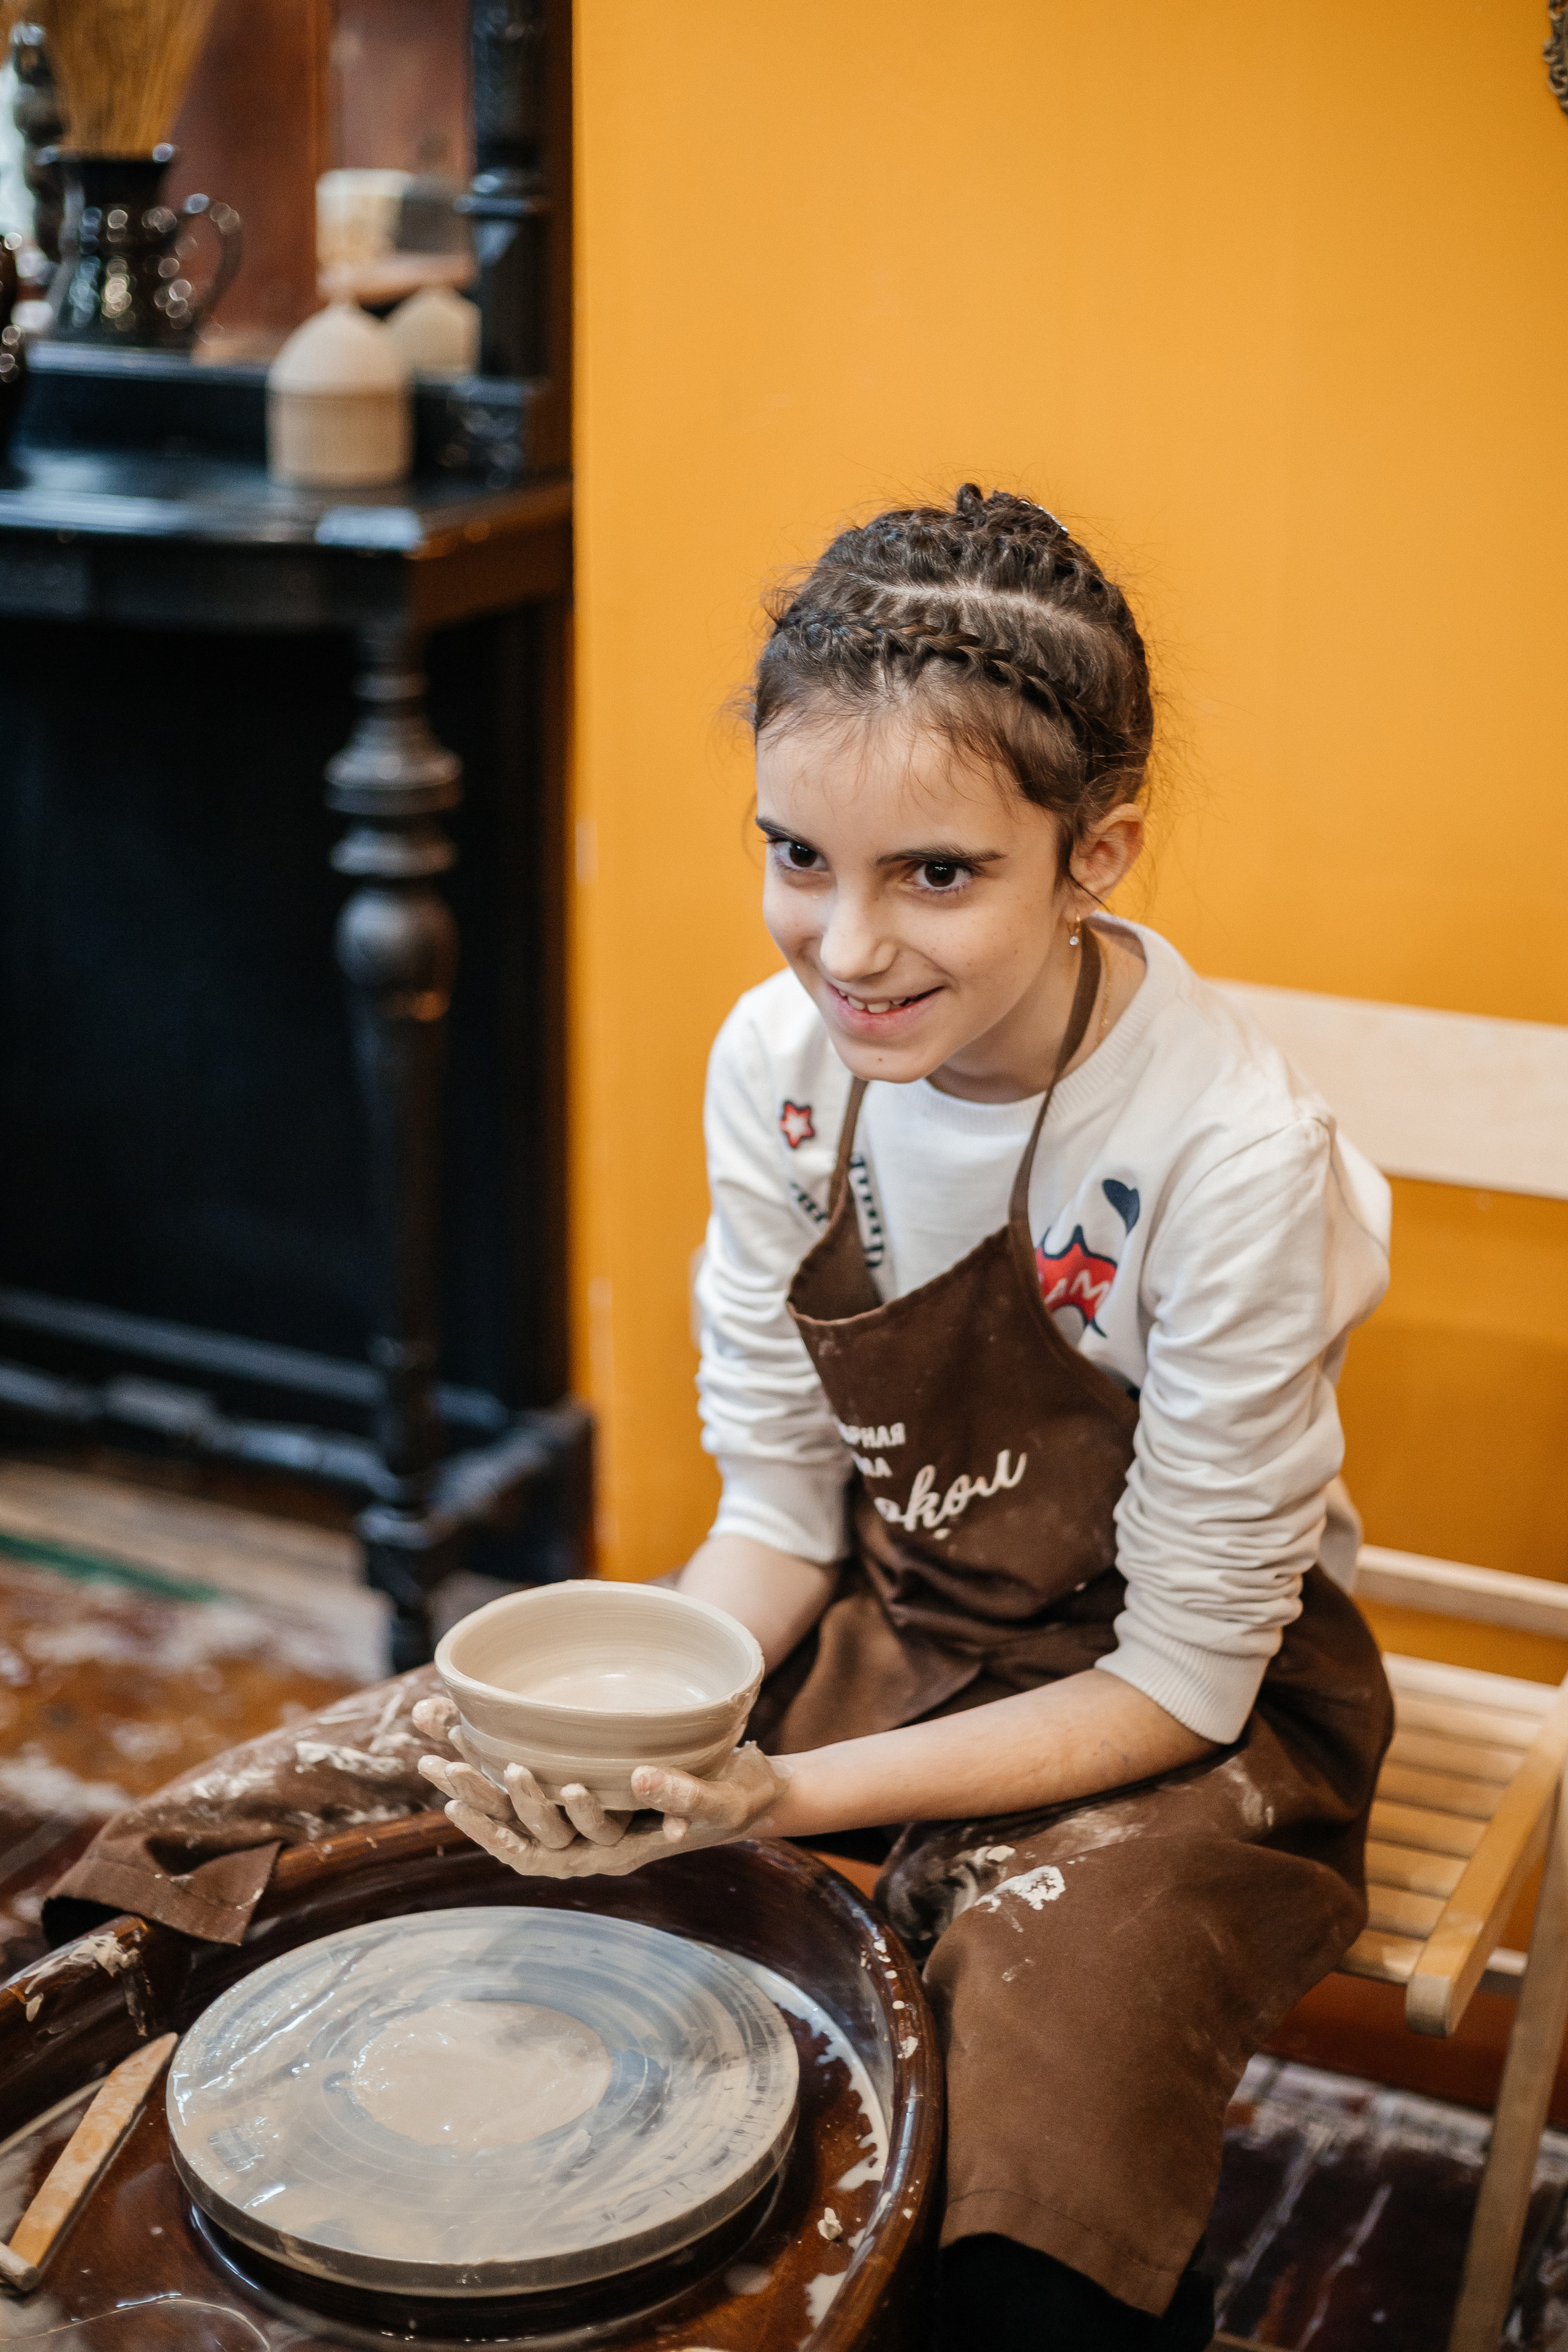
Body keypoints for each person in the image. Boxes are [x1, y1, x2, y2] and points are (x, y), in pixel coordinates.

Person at [417, 484, 1395, 2351]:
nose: (846, 947)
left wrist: (776, 1795)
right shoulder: (782, 1069)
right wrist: (659, 1724)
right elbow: (783, 1514)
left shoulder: (1227, 1155)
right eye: (798, 855)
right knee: (439, 1839)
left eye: (935, 875)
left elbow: (1190, 1680)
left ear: (1095, 850)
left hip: (1186, 1712)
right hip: (897, 1612)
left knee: (1036, 2092)